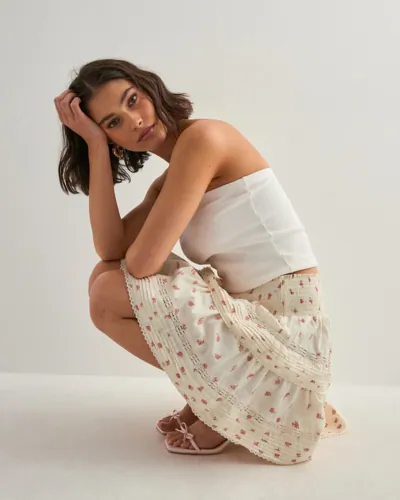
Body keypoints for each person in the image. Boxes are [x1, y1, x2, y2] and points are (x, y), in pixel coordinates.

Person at [54, 58, 347, 464]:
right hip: (246, 310)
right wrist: (95, 147)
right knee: (103, 279)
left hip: (285, 318)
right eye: (113, 122)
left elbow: (140, 265)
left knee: (108, 290)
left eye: (133, 100)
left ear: (150, 88)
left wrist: (101, 136)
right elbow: (110, 248)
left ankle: (226, 404)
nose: (135, 120)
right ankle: (213, 395)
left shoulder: (204, 139)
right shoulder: (173, 174)